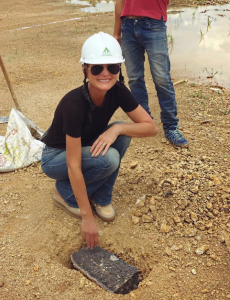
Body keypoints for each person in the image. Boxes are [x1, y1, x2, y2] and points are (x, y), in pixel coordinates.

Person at [41, 32, 157, 249]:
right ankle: (63, 193)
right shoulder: (73, 104)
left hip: (83, 147)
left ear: (119, 69)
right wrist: (87, 217)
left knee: (120, 136)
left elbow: (150, 127)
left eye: (112, 67)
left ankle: (102, 197)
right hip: (55, 157)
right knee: (109, 157)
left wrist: (119, 128)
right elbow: (73, 165)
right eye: (97, 68)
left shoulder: (118, 91)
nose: (105, 73)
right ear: (85, 69)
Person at [113, 0, 189, 148]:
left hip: (154, 24)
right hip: (127, 25)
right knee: (134, 77)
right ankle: (143, 121)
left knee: (161, 78)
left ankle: (171, 126)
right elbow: (120, 2)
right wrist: (117, 33)